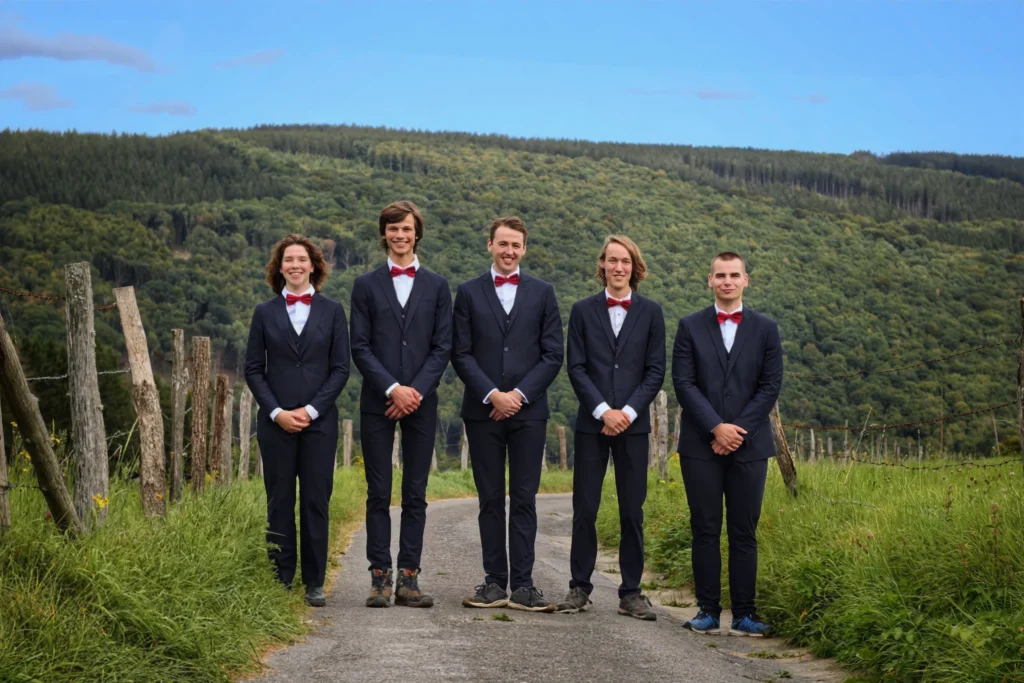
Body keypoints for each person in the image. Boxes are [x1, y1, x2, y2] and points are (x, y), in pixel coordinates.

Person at [452, 216, 564, 613]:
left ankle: (524, 585)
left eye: (516, 245)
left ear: (524, 249)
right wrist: (491, 395)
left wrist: (516, 395)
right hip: (482, 412)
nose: (509, 251)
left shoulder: (543, 292)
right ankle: (494, 582)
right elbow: (460, 352)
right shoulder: (467, 293)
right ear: (490, 245)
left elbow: (553, 354)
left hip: (529, 413)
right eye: (503, 244)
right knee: (488, 498)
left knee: (524, 498)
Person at [671, 251, 782, 636]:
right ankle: (707, 611)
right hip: (700, 445)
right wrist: (716, 428)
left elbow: (770, 386)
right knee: (704, 528)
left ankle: (745, 614)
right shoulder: (689, 326)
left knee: (743, 531)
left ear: (746, 280)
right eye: (720, 275)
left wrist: (737, 431)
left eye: (734, 275)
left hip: (750, 446)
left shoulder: (766, 328)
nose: (727, 281)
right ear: (709, 280)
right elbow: (684, 384)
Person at [556, 235, 665, 621]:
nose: (619, 267)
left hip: (633, 428)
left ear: (636, 268)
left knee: (631, 510)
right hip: (593, 424)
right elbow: (577, 368)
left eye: (626, 262)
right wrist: (604, 411)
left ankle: (631, 592)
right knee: (585, 507)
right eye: (612, 260)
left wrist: (628, 413)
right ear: (601, 264)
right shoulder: (582, 311)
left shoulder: (651, 313)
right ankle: (579, 587)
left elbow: (655, 372)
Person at [350, 200, 452, 608]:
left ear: (416, 233)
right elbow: (359, 345)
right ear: (384, 235)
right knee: (378, 491)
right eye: (393, 230)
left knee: (415, 491)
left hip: (423, 402)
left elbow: (442, 346)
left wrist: (415, 392)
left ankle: (409, 578)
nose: (400, 236)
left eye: (406, 229)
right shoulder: (364, 284)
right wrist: (393, 388)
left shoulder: (438, 286)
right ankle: (380, 578)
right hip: (378, 400)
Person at [245, 234, 350, 607]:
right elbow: (254, 370)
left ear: (314, 266)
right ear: (279, 268)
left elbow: (340, 369)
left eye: (301, 260)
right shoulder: (264, 313)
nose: (294, 265)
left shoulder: (334, 311)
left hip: (319, 424)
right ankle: (281, 578)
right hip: (275, 424)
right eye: (288, 260)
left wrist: (310, 411)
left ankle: (314, 582)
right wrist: (276, 412)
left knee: (315, 501)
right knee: (279, 500)